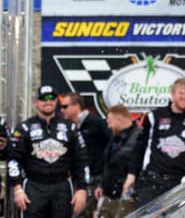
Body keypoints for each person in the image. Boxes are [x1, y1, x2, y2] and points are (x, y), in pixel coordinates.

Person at [130, 78, 185, 207]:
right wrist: (131, 175)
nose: (184, 97)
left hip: (182, 184)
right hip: (152, 182)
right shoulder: (154, 116)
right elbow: (139, 148)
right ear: (172, 93)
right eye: (181, 93)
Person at [8, 85, 90, 218]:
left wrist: (81, 189)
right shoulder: (24, 128)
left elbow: (81, 160)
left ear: (56, 101)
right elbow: (14, 160)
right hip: (34, 187)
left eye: (51, 97)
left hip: (62, 186)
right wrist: (17, 189)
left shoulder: (70, 127)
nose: (47, 101)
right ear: (36, 102)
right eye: (43, 98)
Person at [61, 92, 113, 217]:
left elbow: (113, 144)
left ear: (77, 106)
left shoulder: (96, 122)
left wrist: (104, 172)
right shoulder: (68, 128)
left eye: (65, 106)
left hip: (95, 178)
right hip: (75, 179)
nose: (61, 110)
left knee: (78, 213)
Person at [95, 104, 141, 218]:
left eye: (110, 122)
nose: (108, 126)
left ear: (119, 119)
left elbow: (135, 164)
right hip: (109, 194)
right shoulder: (116, 138)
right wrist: (102, 185)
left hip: (127, 195)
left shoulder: (139, 137)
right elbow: (108, 164)